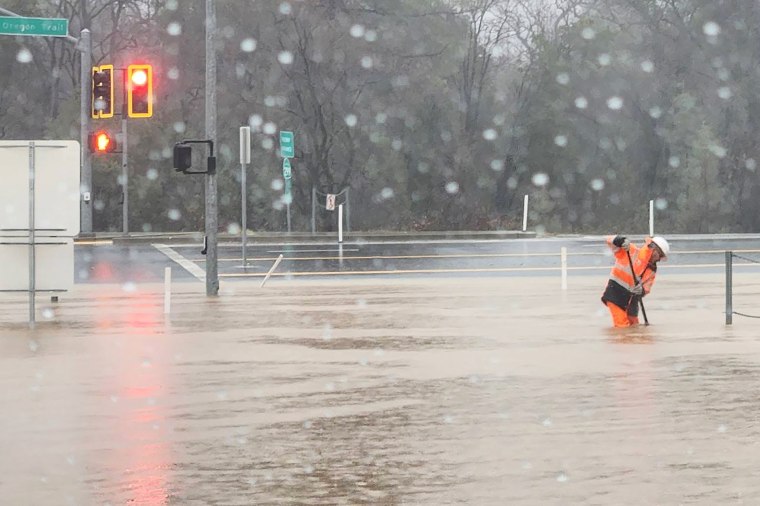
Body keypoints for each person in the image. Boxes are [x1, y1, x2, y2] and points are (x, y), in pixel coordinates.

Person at [601, 235, 670, 327]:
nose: (659, 259)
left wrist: (641, 291)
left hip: (632, 302)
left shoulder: (651, 270)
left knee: (635, 327)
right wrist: (621, 240)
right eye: (660, 255)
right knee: (622, 326)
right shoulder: (631, 250)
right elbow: (609, 240)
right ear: (654, 249)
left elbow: (647, 288)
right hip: (616, 294)